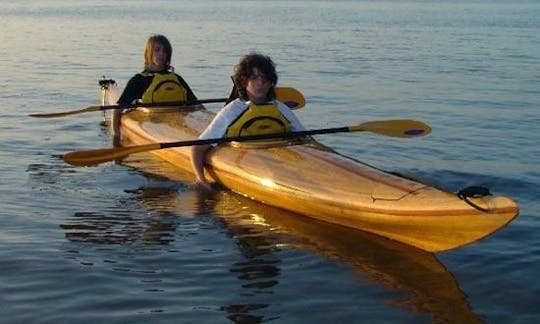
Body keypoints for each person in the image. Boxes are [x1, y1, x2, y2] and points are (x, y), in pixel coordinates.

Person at [191, 52, 306, 191]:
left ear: (271, 83)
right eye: (254, 78)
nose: (260, 83)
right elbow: (198, 148)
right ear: (245, 81)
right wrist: (200, 179)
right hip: (248, 160)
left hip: (279, 158)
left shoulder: (280, 108)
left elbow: (306, 139)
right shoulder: (233, 110)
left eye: (265, 79)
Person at [112, 34, 198, 145]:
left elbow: (196, 105)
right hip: (153, 126)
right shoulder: (138, 80)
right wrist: (116, 136)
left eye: (165, 51)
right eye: (157, 50)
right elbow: (117, 110)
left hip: (177, 125)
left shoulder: (176, 78)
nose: (161, 54)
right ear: (149, 53)